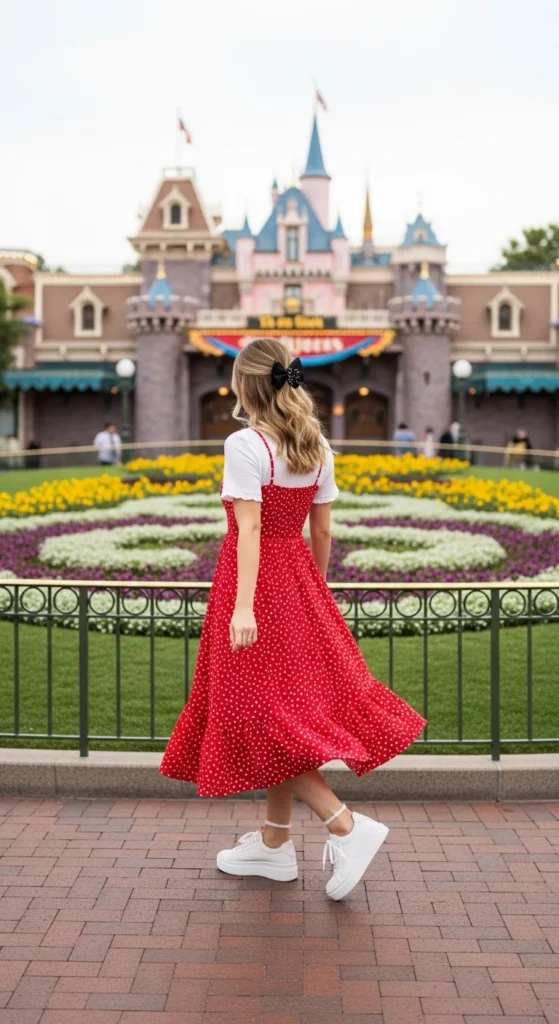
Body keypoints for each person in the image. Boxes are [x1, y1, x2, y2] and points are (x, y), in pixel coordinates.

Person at [160, 338, 425, 901]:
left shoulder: (244, 443)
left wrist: (243, 606)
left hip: (253, 585)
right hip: (300, 580)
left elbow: (249, 530)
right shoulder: (317, 445)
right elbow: (322, 531)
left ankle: (345, 825)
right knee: (276, 713)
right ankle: (275, 844)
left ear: (245, 386)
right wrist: (314, 591)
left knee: (258, 717)